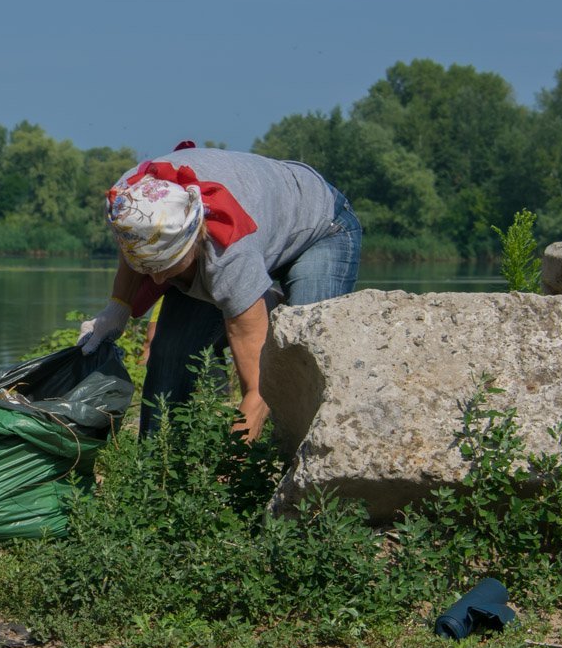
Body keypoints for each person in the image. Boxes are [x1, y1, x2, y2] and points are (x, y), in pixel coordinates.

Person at [78, 142, 361, 443]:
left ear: (193, 239)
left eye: (167, 264)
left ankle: (299, 469)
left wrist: (233, 465)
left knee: (299, 361)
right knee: (170, 354)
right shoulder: (127, 202)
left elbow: (260, 387)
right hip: (258, 225)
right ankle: (156, 464)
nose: (158, 277)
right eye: (149, 267)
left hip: (319, 226)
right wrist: (117, 308)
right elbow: (136, 245)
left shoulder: (227, 255)